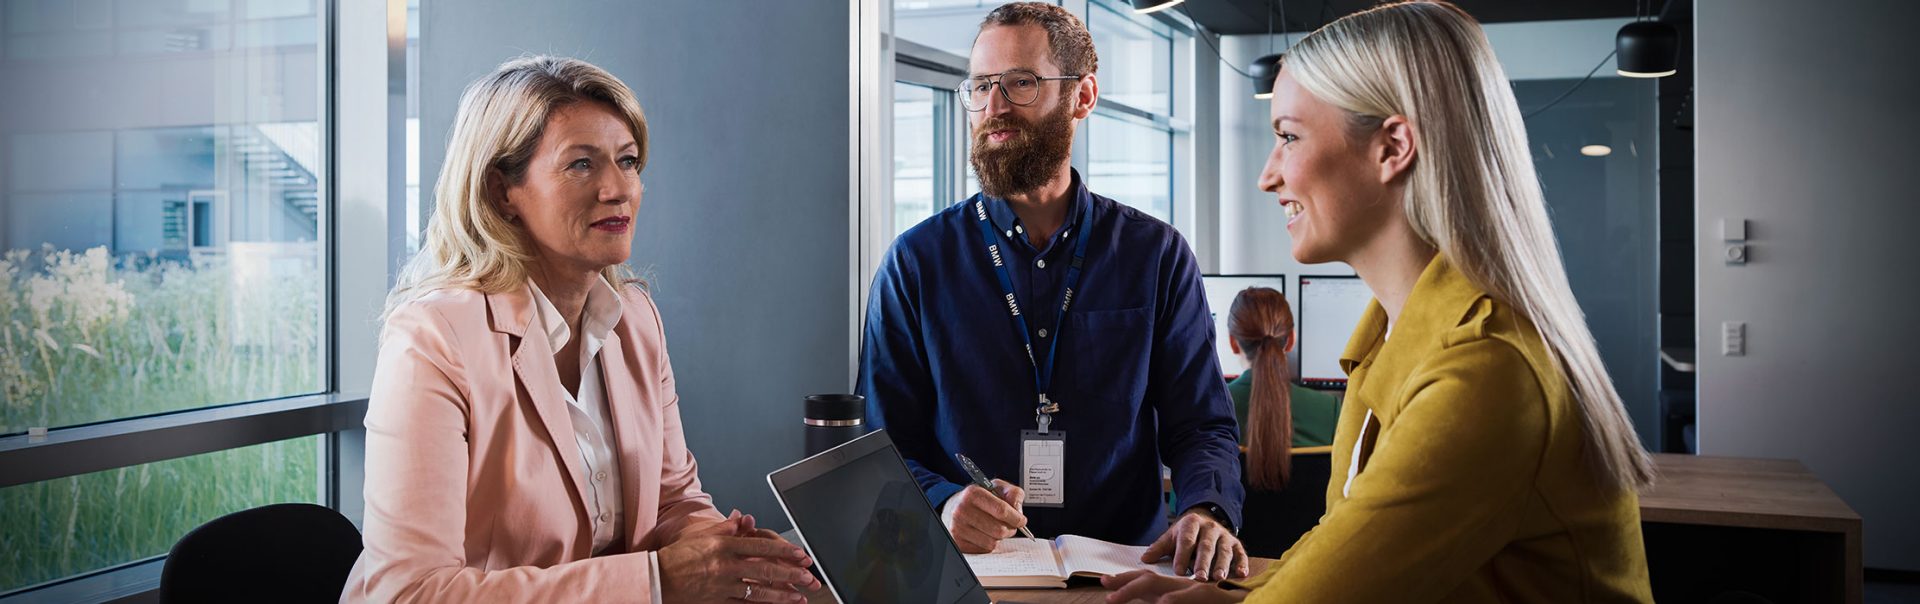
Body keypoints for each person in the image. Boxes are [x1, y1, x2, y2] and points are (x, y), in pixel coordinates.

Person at [1103, 2, 1656, 602]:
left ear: (1393, 147)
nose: (1268, 176)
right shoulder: (1388, 341)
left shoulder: (1486, 370)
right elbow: (1341, 546)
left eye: (1288, 137)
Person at [341, 56, 819, 603]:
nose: (619, 189)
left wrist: (731, 558)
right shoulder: (432, 339)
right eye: (581, 165)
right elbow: (410, 592)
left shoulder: (636, 319)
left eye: (629, 161)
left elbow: (672, 500)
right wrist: (659, 581)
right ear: (502, 192)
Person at [858, 2, 1250, 582]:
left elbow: (1202, 425)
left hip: (1127, 578)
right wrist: (943, 502)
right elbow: (880, 442)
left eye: (1020, 83)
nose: (993, 107)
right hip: (971, 579)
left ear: (1082, 97)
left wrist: (1207, 510)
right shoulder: (915, 264)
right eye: (982, 85)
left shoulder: (1156, 255)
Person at [1222, 287, 1340, 490]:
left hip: (1231, 523)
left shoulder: (1211, 408)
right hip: (1313, 523)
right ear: (1290, 340)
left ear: (1233, 343)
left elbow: (1185, 504)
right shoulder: (1330, 409)